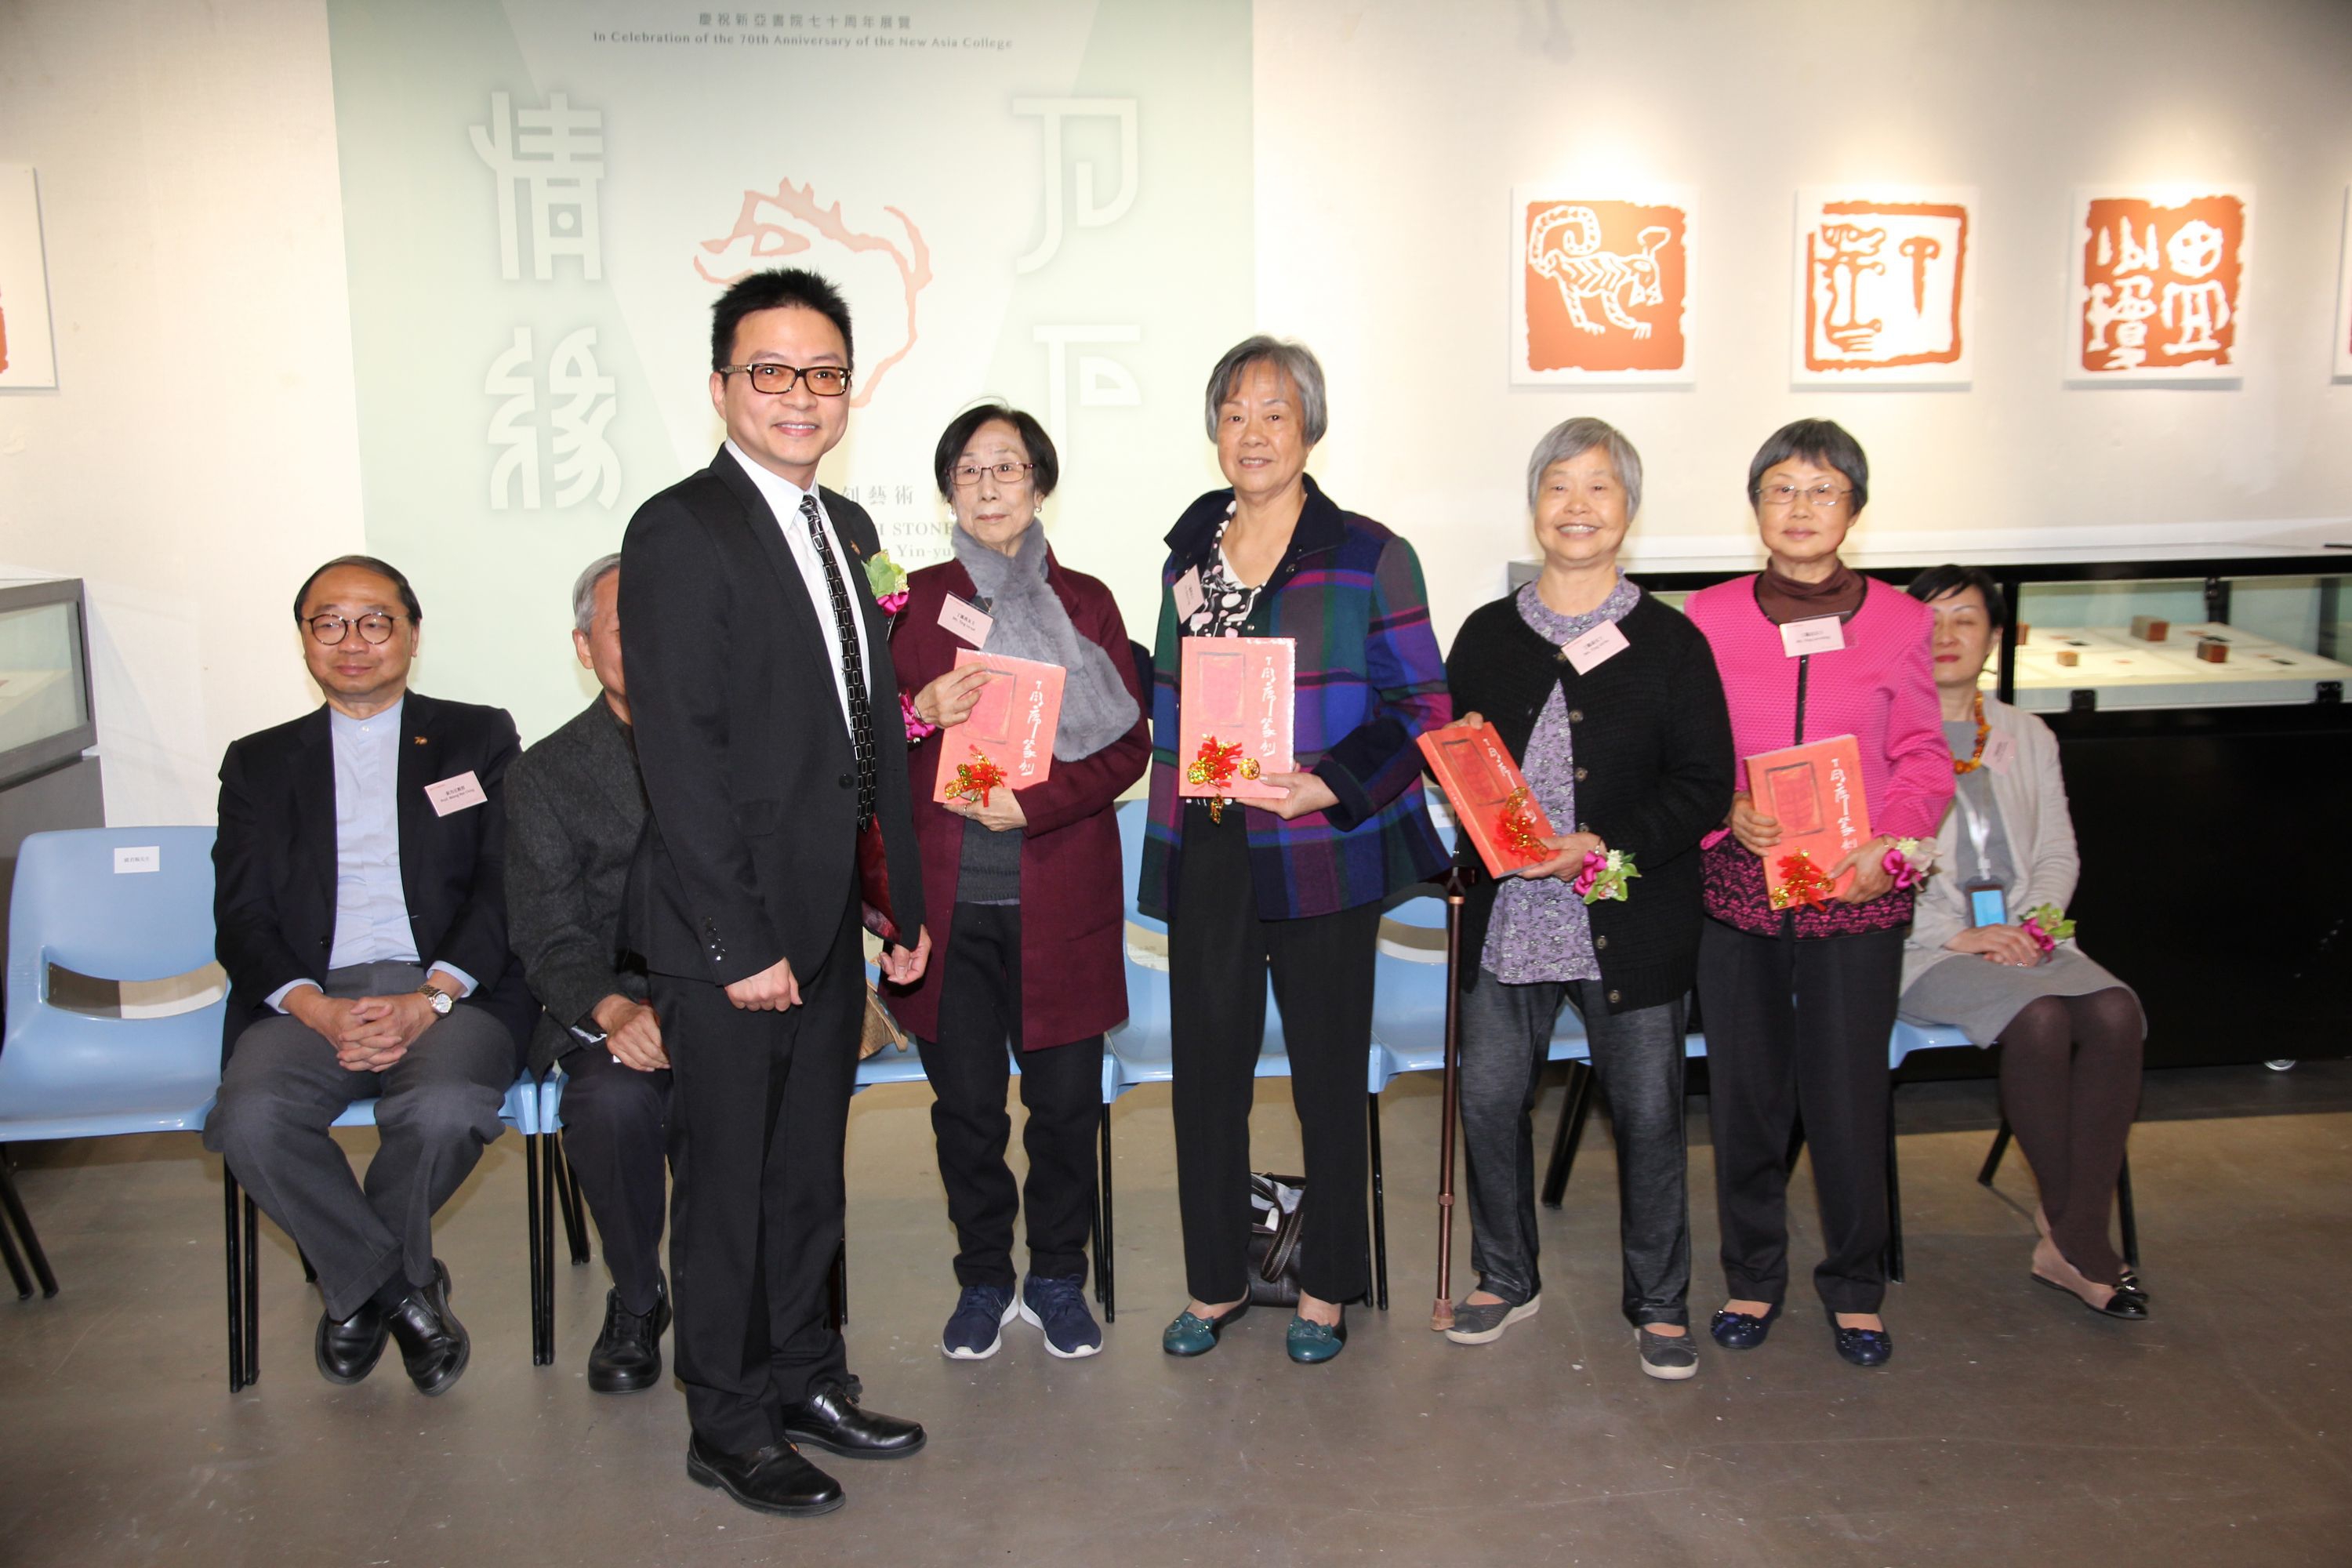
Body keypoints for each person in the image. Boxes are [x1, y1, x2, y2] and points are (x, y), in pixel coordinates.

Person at [619, 267, 931, 1519]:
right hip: (732, 939)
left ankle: (806, 1376)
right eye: (770, 372)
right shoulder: (682, 530)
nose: (799, 396)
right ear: (720, 387)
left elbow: (861, 742)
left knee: (809, 1175)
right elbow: (682, 756)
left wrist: (891, 905)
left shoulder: (843, 529)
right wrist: (739, 939)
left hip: (825, 926)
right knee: (731, 1188)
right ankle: (728, 1418)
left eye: (821, 373)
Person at [1138, 336, 1452, 1366]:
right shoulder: (1189, 554)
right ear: (1214, 431)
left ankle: (1326, 1291)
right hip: (1215, 844)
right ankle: (1215, 1284)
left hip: (1320, 846)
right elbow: (1169, 700)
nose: (1253, 432)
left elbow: (1422, 708)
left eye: (1274, 412)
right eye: (1234, 412)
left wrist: (1332, 782)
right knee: (1207, 1082)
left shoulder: (1368, 553)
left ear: (1309, 426)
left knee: (1326, 1078)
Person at [1437, 419, 1733, 1378]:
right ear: (1535, 505)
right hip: (1511, 913)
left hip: (1626, 913)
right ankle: (1503, 1274)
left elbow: (1701, 783)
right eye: (1559, 486)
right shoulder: (1486, 633)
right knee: (1488, 1101)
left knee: (1648, 1116)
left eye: (1599, 488)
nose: (1577, 506)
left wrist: (1603, 843)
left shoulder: (1671, 642)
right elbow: (1451, 761)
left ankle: (1659, 1302)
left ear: (1629, 511)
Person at [204, 555, 533, 1396]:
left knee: (448, 1106)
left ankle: (353, 1293)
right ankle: (397, 1288)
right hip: (310, 996)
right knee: (248, 1118)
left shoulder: (477, 735)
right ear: (306, 639)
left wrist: (431, 997)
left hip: (449, 988)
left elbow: (507, 883)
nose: (354, 641)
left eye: (376, 620)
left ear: (412, 633)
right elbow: (240, 915)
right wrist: (312, 1006)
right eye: (330, 622)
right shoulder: (258, 761)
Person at [1684, 419, 1952, 1369]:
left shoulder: (1903, 621)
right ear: (1756, 505)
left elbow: (1923, 753)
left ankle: (1855, 1284)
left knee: (1846, 1095)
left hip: (1857, 887)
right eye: (1783, 490)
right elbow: (1685, 751)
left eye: (1823, 490)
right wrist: (1723, 809)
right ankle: (1752, 1276)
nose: (1801, 508)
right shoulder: (1705, 618)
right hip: (1741, 885)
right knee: (1747, 1097)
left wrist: (1900, 841)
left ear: (1856, 509)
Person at [890, 402, 1149, 1361]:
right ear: (948, 487)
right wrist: (919, 712)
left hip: (1060, 899)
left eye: (1009, 467)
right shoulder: (911, 601)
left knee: (1065, 1108)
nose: (991, 485)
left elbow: (1129, 745)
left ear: (1039, 483)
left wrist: (1032, 807)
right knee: (965, 1110)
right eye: (971, 469)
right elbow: (865, 751)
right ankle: (984, 1277)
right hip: (947, 911)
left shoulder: (1086, 602)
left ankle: (1056, 1275)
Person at [1898, 564, 2147, 1320]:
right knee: (2040, 1020)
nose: (1946, 637)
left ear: (1995, 636)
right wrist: (1964, 934)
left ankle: (2067, 1231)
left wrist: (2033, 928)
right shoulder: (1883, 735)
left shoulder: (2026, 734)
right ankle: (2083, 1242)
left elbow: (2059, 853)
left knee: (2113, 1010)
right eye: (1930, 621)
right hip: (1928, 949)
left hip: (2032, 939)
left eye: (1966, 620)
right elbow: (1874, 864)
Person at [503, 554, 677, 1393]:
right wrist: (613, 1009)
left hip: (734, 996)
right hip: (615, 1004)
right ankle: (640, 1295)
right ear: (584, 645)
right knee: (608, 1101)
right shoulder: (545, 774)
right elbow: (547, 929)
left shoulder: (744, 745)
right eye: (622, 625)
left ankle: (763, 1301)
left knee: (779, 1091)